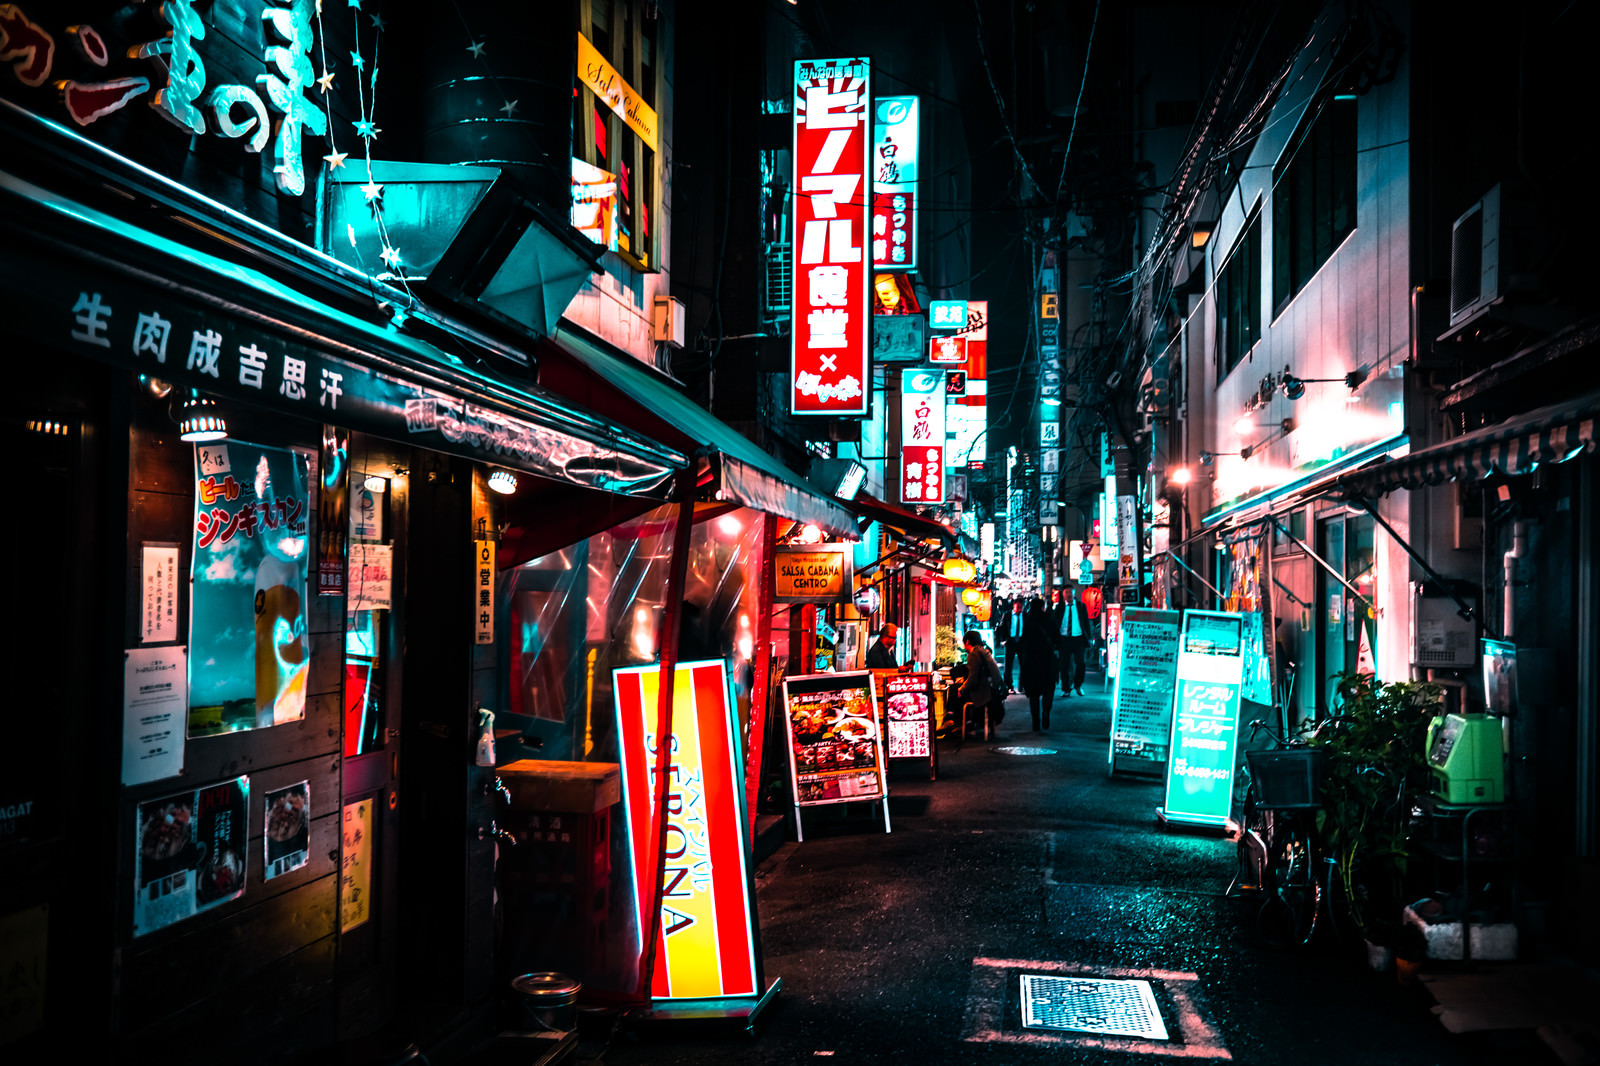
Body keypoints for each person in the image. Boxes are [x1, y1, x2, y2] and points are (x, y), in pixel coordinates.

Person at [1019, 598, 1059, 730]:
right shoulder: (1049, 619)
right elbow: (1057, 639)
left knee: (1034, 694)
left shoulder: (1028, 621)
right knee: (1049, 690)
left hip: (1031, 662)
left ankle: (1035, 721)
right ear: (1042, 607)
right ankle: (1046, 712)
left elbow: (1023, 641)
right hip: (1047, 660)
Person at [958, 629, 1004, 737]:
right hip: (990, 690)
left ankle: (966, 724)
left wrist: (962, 688)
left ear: (968, 642)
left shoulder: (974, 654)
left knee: (956, 693)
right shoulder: (984, 651)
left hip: (982, 693)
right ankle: (972, 723)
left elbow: (973, 679)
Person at [1056, 584, 1091, 697]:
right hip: (1064, 639)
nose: (1069, 594)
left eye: (1071, 592)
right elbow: (1056, 623)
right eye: (1066, 592)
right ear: (1063, 594)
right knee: (1064, 665)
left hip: (1078, 638)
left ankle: (1078, 685)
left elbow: (1086, 623)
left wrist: (1089, 638)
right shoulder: (1059, 607)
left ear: (1074, 593)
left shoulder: (1081, 606)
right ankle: (1066, 688)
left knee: (1081, 663)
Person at [998, 597, 1023, 694]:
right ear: (1014, 607)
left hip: (1021, 641)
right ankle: (1009, 686)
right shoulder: (1007, 615)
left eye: (1021, 607)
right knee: (1008, 665)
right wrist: (1002, 640)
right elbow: (1001, 627)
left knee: (1023, 664)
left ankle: (1022, 686)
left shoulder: (1024, 615)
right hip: (1010, 641)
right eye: (1018, 608)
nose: (1019, 610)